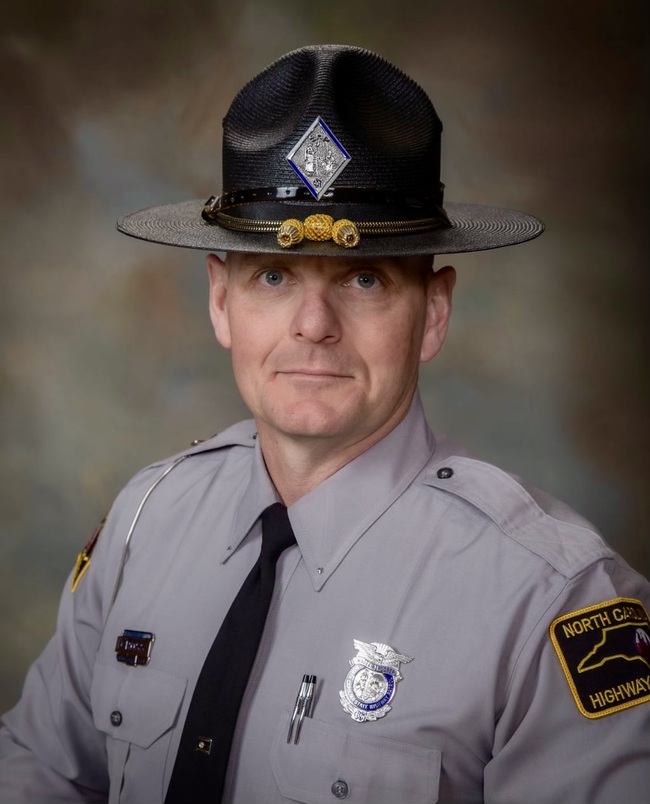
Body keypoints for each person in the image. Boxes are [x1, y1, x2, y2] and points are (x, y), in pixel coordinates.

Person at [0, 44, 648, 804]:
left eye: (365, 279)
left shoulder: (552, 598)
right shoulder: (149, 519)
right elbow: (40, 770)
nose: (314, 325)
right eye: (273, 276)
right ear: (221, 302)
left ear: (434, 312)